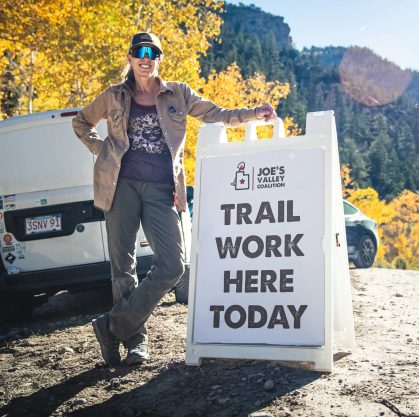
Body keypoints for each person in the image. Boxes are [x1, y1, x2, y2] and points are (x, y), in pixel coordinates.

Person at [72, 32, 276, 365]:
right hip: (120, 186)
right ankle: (136, 341)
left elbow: (216, 113)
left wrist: (253, 113)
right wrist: (102, 149)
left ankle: (112, 328)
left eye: (153, 52)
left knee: (173, 265)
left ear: (158, 59)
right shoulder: (113, 96)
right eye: (140, 51)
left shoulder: (177, 94)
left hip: (161, 190)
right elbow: (81, 122)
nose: (146, 57)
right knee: (123, 267)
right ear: (130, 57)